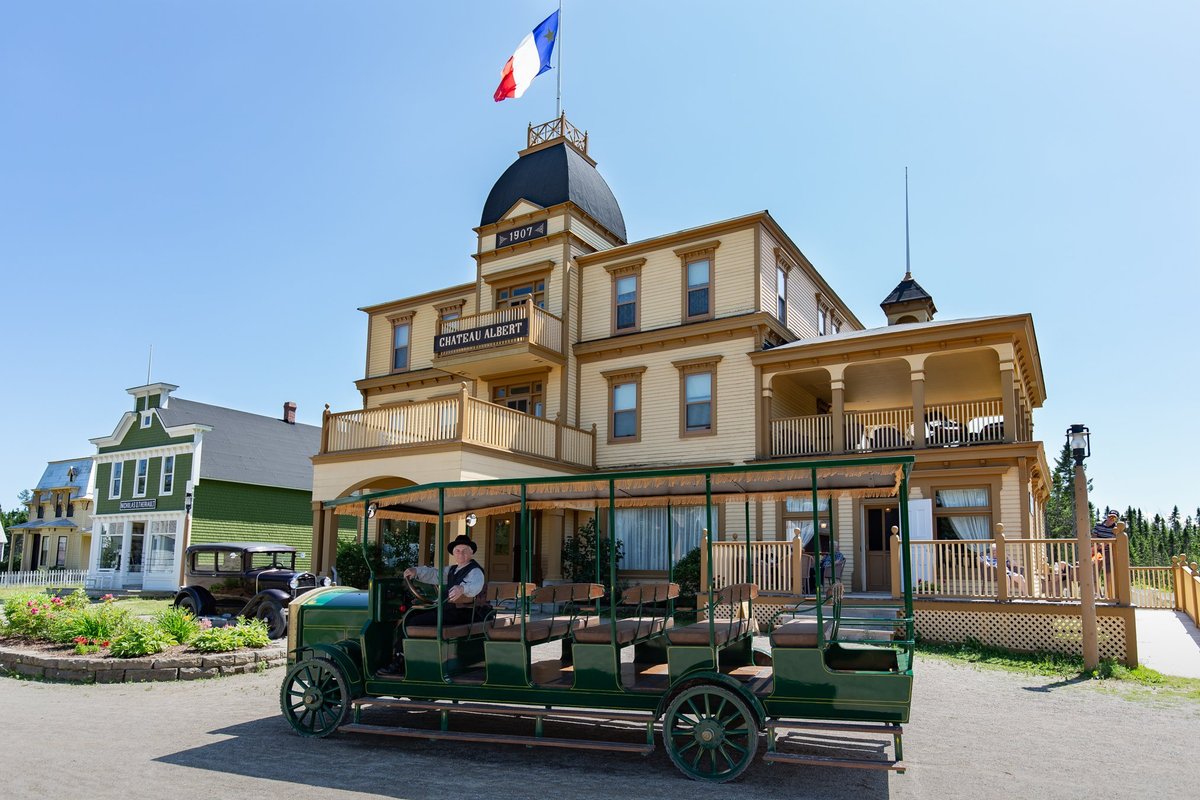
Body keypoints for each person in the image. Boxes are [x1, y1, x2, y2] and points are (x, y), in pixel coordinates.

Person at [381, 534, 488, 673]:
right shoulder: (453, 570)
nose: (461, 553)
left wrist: (462, 589)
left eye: (465, 550)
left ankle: (400, 660)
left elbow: (476, 585)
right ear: (454, 553)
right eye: (458, 550)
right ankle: (405, 657)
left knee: (411, 621)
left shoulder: (475, 571)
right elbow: (434, 574)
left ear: (471, 552)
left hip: (465, 614)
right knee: (411, 616)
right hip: (453, 610)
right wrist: (416, 571)